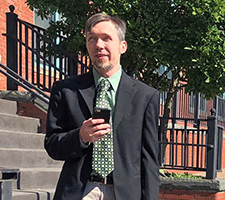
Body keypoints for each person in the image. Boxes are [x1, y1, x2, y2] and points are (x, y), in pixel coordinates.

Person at [45, 13, 160, 200]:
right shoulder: (65, 91)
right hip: (81, 191)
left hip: (125, 193)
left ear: (122, 46)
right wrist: (80, 137)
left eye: (106, 38)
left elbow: (150, 160)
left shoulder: (145, 96)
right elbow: (52, 145)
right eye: (92, 39)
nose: (99, 45)